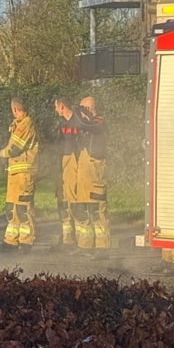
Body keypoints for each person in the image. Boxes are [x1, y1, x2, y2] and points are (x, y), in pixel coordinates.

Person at [0, 98, 38, 252]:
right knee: (11, 209)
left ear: (14, 109)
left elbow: (15, 148)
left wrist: (1, 153)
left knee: (23, 210)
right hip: (14, 174)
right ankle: (10, 242)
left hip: (24, 174)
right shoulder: (17, 124)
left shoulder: (26, 124)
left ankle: (26, 242)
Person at [76, 96, 110, 254]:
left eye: (82, 109)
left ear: (88, 109)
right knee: (83, 211)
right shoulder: (87, 124)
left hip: (95, 174)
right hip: (84, 175)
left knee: (97, 212)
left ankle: (102, 248)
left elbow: (88, 126)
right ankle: (85, 245)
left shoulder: (99, 122)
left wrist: (75, 113)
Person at [54, 96, 82, 248]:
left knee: (74, 198)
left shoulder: (78, 121)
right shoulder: (62, 124)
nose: (55, 109)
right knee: (62, 198)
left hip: (74, 163)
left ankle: (77, 239)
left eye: (56, 106)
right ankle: (66, 238)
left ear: (62, 106)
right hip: (63, 163)